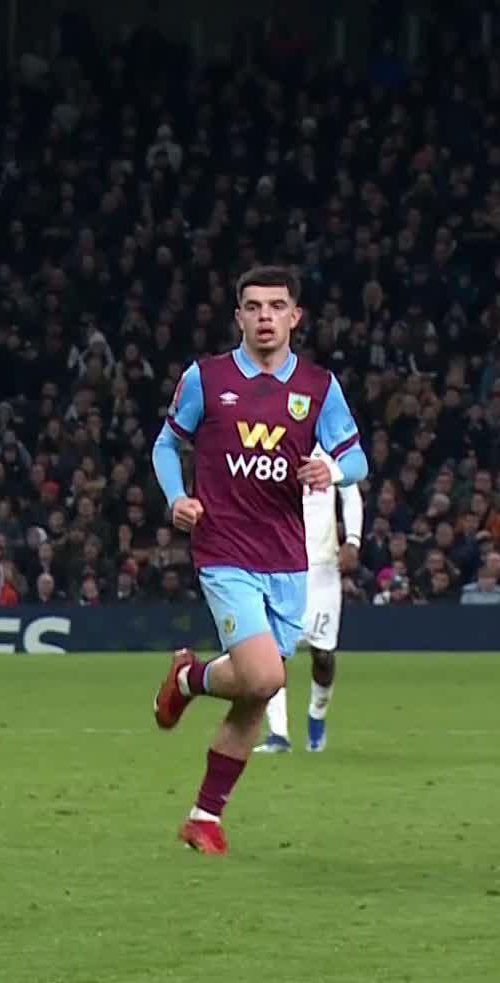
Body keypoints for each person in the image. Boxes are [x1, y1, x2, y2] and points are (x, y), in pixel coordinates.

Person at [149, 265, 368, 855]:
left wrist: (333, 468)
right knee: (267, 677)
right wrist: (177, 498)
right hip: (224, 551)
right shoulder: (206, 378)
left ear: (296, 317)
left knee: (254, 691)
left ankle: (204, 815)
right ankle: (192, 679)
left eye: (277, 306)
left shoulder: (319, 388)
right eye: (253, 306)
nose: (265, 316)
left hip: (289, 562)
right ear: (239, 316)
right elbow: (167, 444)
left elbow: (359, 459)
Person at [257, 443, 364, 753]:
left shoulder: (330, 447)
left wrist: (353, 541)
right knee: (272, 652)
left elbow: (350, 492)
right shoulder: (271, 443)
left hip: (322, 567)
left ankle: (317, 715)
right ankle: (278, 734)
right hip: (278, 561)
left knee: (323, 653)